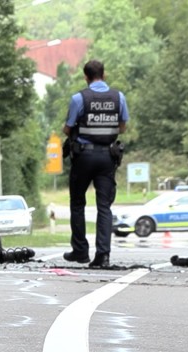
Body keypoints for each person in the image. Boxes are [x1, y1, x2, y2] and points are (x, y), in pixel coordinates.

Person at [62, 59, 129, 268]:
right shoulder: (118, 97)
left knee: (77, 203)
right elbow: (123, 127)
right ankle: (103, 255)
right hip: (107, 157)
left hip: (83, 157)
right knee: (104, 207)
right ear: (104, 74)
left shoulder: (79, 98)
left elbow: (67, 129)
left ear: (86, 76)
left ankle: (80, 251)